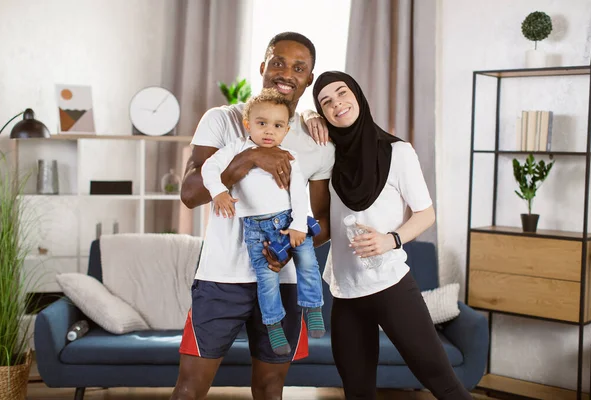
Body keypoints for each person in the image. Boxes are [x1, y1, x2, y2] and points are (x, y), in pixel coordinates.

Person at [171, 32, 334, 400]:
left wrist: (287, 250)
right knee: (189, 387)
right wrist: (248, 159)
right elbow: (190, 194)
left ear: (309, 78)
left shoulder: (317, 143)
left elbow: (321, 220)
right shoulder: (223, 121)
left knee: (270, 388)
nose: (286, 72)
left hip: (284, 282)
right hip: (221, 278)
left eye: (298, 67)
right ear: (263, 67)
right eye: (278, 62)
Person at [312, 71, 472, 400]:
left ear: (357, 94)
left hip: (391, 287)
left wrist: (391, 240)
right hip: (345, 293)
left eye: (342, 93)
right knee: (357, 392)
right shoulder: (329, 157)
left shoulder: (397, 152)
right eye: (325, 102)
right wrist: (306, 115)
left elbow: (426, 214)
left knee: (441, 382)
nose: (336, 103)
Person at [200, 88, 325, 356]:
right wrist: (218, 192)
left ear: (286, 130)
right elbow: (209, 168)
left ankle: (313, 307)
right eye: (261, 123)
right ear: (248, 124)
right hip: (255, 229)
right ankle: (274, 327)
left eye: (277, 125)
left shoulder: (289, 157)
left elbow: (298, 194)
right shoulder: (237, 149)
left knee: (308, 262)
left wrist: (299, 227)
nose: (269, 131)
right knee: (267, 280)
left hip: (289, 222)